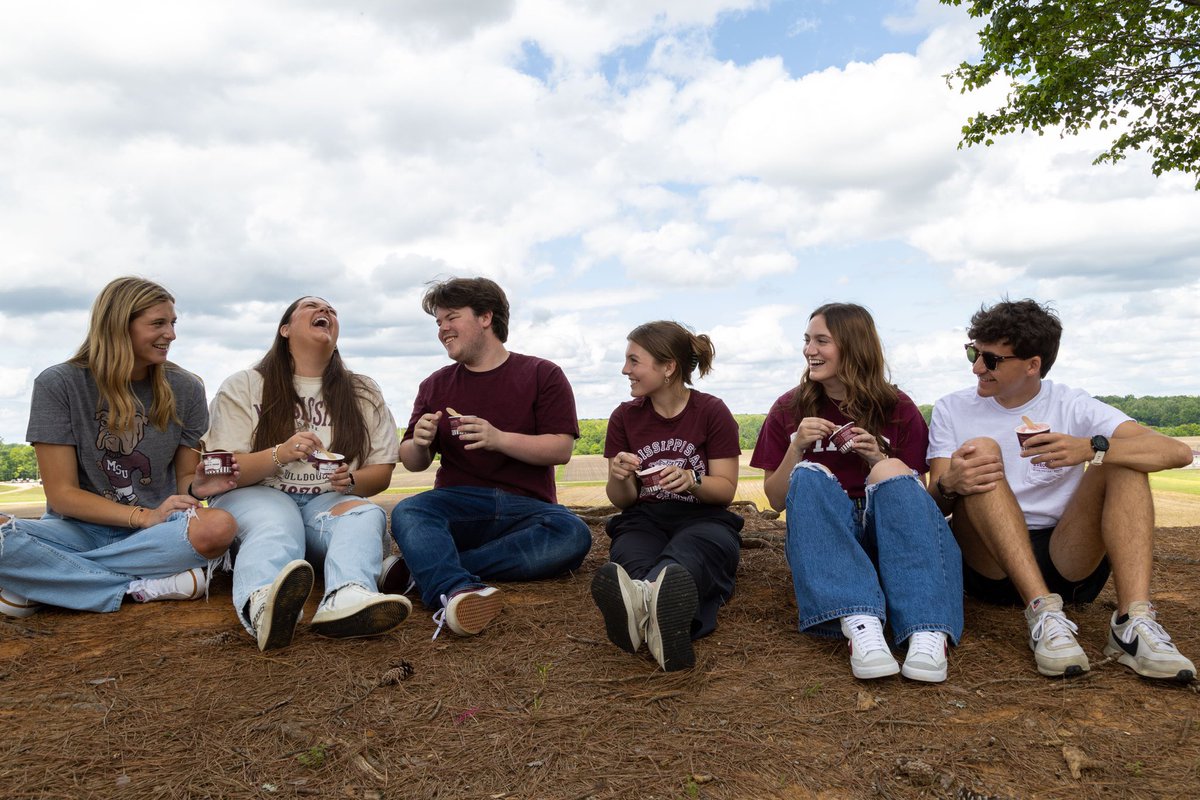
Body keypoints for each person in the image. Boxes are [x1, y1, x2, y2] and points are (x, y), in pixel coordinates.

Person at [928, 298, 1194, 682]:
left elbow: (1177, 451)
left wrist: (1091, 447)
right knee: (983, 452)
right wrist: (951, 483)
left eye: (991, 360)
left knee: (1123, 461)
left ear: (1032, 365)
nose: (976, 368)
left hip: (1067, 558)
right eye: (973, 353)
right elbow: (933, 503)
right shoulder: (952, 408)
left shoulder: (1070, 402)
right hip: (989, 563)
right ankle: (1044, 614)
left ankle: (1132, 623)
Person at [0, 276, 237, 619]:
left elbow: (185, 478)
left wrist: (197, 486)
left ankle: (44, 580)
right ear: (117, 326)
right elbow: (63, 494)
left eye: (172, 323)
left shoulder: (186, 388)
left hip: (157, 535)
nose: (171, 334)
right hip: (73, 530)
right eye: (158, 323)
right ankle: (136, 587)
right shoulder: (59, 384)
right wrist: (142, 516)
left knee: (219, 527)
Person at [751, 303, 962, 682]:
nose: (809, 350)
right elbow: (777, 500)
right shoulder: (788, 407)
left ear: (853, 346)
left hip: (891, 539)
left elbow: (921, 505)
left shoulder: (896, 407)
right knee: (810, 475)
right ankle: (860, 623)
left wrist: (878, 458)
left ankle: (926, 630)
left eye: (821, 341)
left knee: (892, 469)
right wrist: (796, 447)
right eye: (807, 340)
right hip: (829, 540)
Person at [389, 277, 592, 638]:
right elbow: (413, 460)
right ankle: (456, 590)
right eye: (438, 322)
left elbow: (561, 449)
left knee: (572, 533)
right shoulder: (435, 385)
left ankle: (429, 572)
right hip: (459, 507)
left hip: (527, 511)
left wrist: (498, 439)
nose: (443, 329)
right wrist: (419, 441)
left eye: (451, 317)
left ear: (486, 316)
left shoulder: (542, 374)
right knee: (410, 510)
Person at [205, 296, 409, 651]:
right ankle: (262, 604)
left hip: (325, 503)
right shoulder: (245, 386)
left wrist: (353, 481)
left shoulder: (362, 391)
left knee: (364, 514)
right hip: (256, 493)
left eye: (332, 309)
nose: (326, 312)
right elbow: (223, 470)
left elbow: (382, 471)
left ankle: (347, 598)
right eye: (312, 307)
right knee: (276, 521)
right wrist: (279, 454)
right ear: (285, 329)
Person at [591, 321, 743, 672]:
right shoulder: (624, 417)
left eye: (633, 361)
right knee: (629, 552)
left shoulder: (711, 411)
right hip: (645, 518)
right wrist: (619, 476)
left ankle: (641, 612)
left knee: (691, 553)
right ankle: (661, 619)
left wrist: (692, 481)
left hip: (704, 518)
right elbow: (623, 501)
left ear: (668, 367)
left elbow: (725, 490)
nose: (625, 370)